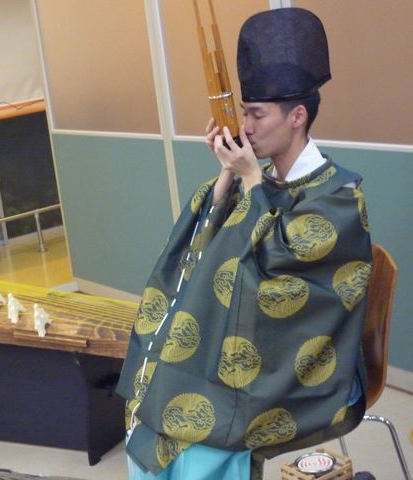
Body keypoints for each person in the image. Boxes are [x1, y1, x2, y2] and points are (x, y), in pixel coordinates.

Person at [117, 8, 372, 480]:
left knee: (197, 440)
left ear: (297, 116)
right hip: (245, 350)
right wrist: (228, 175)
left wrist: (253, 179)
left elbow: (281, 273)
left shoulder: (339, 196)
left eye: (257, 115)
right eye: (244, 114)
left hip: (300, 367)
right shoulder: (263, 180)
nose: (246, 127)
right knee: (153, 401)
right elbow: (207, 243)